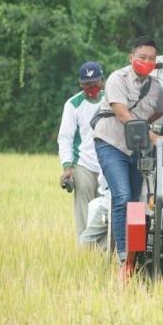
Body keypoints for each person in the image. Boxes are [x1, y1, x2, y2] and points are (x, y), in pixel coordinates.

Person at [92, 36, 163, 273]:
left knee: (137, 201)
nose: (146, 62)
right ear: (131, 57)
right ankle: (124, 256)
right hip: (112, 143)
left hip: (137, 148)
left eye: (152, 58)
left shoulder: (156, 86)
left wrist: (145, 126)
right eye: (142, 57)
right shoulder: (117, 78)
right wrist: (151, 135)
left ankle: (136, 254)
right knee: (122, 196)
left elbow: (160, 111)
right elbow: (123, 115)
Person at [57, 60, 105, 241]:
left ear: (102, 81)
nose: (91, 87)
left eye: (95, 83)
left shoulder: (111, 100)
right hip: (83, 164)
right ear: (80, 83)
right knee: (84, 210)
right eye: (87, 84)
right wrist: (67, 167)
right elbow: (65, 138)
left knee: (105, 209)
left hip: (107, 164)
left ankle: (105, 250)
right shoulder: (73, 105)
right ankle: (86, 251)